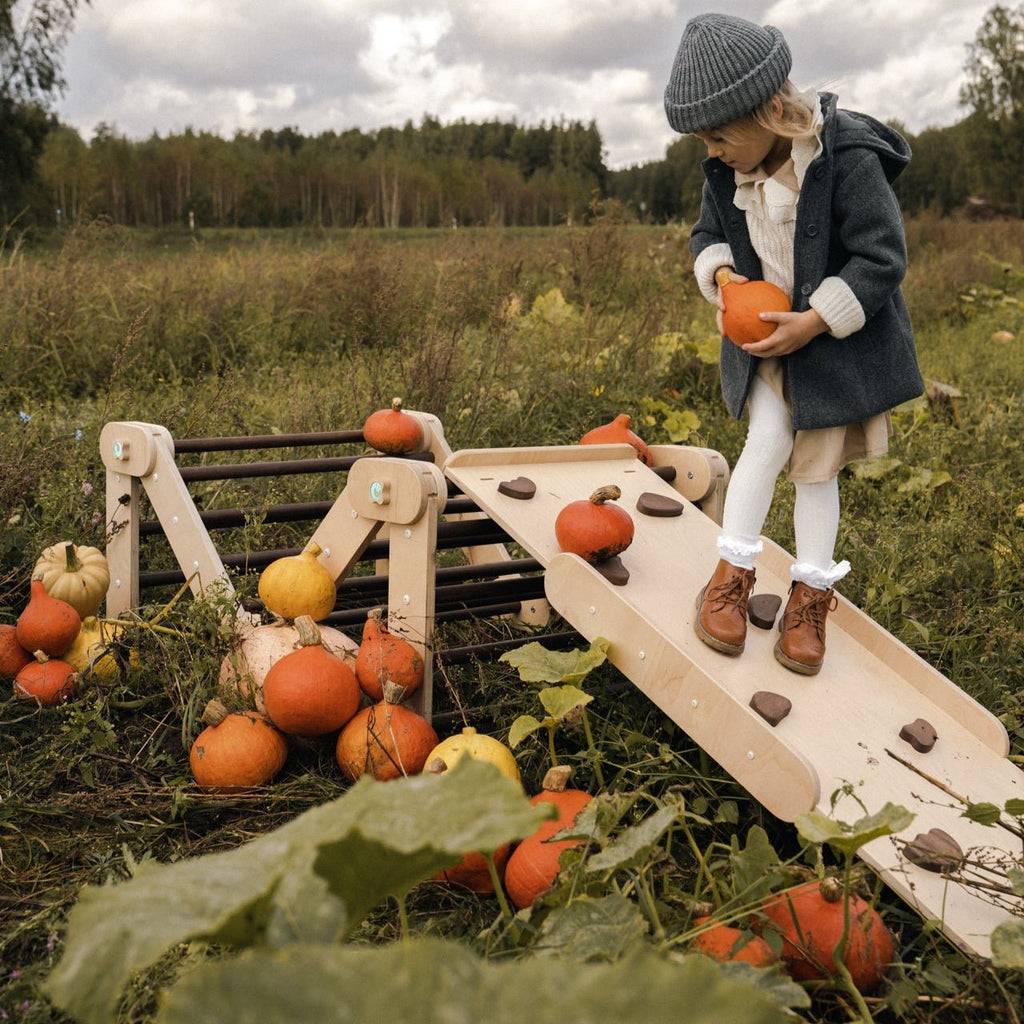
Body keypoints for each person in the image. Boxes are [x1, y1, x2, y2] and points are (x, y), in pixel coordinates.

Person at [663, 12, 924, 675]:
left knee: (816, 471)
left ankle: (810, 598)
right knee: (765, 443)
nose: (713, 152)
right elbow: (706, 237)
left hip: (832, 349)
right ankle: (733, 575)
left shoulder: (848, 160)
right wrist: (723, 278)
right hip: (767, 347)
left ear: (773, 110)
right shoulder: (725, 173)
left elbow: (881, 256)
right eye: (704, 140)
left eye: (720, 137)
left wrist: (815, 319)